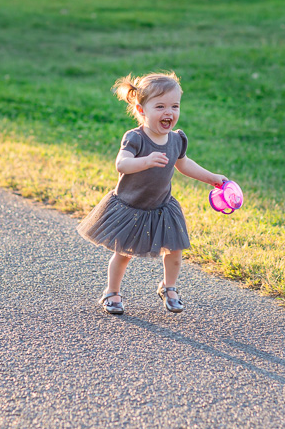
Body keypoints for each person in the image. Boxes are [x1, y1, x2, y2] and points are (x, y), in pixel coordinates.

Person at [78, 71, 226, 315]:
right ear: (141, 109)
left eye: (174, 106)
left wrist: (212, 178)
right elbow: (122, 164)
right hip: (130, 207)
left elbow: (184, 164)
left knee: (175, 251)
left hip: (161, 206)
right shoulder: (135, 138)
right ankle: (112, 293)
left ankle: (169, 288)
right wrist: (145, 161)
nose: (169, 112)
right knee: (123, 254)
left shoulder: (176, 139)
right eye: (160, 106)